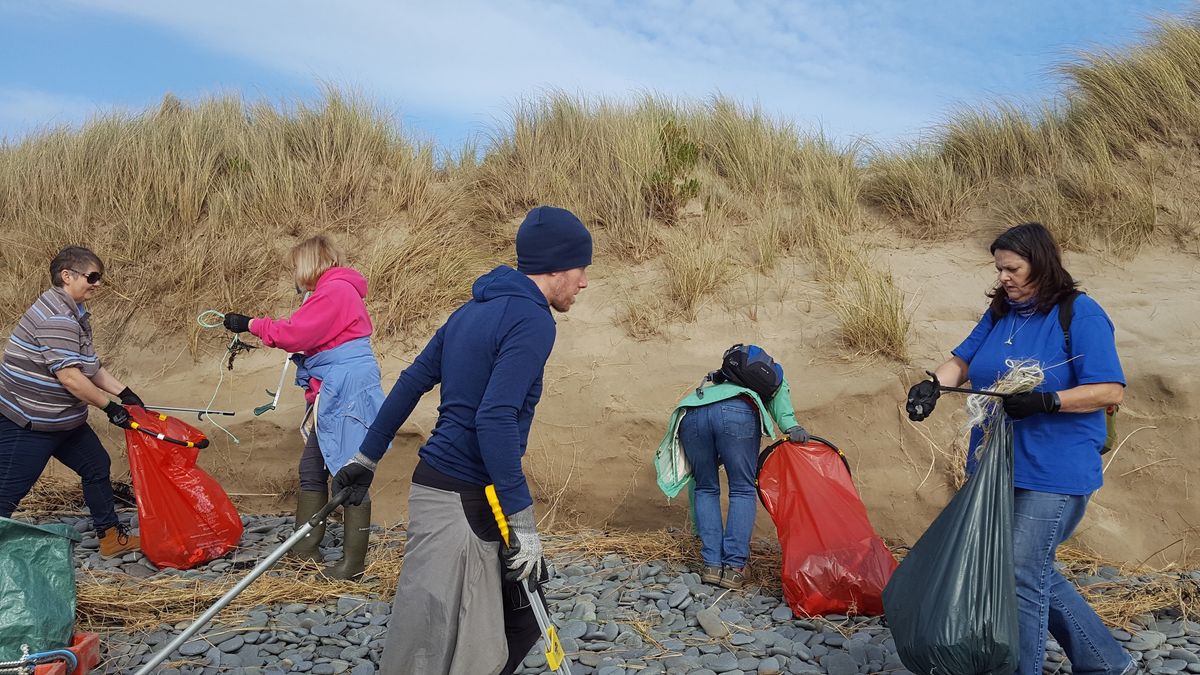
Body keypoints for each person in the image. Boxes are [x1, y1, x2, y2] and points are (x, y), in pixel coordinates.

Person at [330, 205, 591, 675]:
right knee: (435, 641)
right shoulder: (533, 321)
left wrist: (367, 458)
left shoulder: (471, 310)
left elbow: (411, 382)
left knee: (517, 618)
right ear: (555, 267)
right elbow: (494, 418)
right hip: (462, 498)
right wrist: (525, 524)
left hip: (452, 490)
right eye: (581, 270)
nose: (584, 283)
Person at [905, 222, 1132, 675]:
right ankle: (1106, 661)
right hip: (997, 464)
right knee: (1025, 570)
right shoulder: (1000, 312)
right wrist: (932, 384)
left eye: (1013, 268)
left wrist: (1049, 400)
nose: (1004, 277)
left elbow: (1110, 390)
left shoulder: (1078, 313)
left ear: (1040, 263)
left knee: (1020, 573)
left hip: (1056, 466)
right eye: (999, 268)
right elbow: (963, 361)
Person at [222, 235, 383, 580]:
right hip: (337, 387)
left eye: (296, 266)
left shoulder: (335, 291)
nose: (294, 273)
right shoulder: (333, 290)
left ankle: (351, 565)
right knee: (313, 467)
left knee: (346, 472)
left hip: (345, 390)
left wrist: (251, 324)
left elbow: (297, 334)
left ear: (310, 263)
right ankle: (305, 550)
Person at [0, 246, 142, 557]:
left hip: (64, 420)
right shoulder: (57, 318)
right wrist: (110, 408)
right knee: (7, 494)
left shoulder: (73, 313)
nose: (97, 283)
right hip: (28, 421)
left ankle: (109, 538)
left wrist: (125, 392)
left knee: (96, 466)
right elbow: (71, 378)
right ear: (67, 276)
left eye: (99, 277)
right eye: (92, 276)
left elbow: (88, 366)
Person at [658, 346, 809, 590]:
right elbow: (780, 393)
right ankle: (734, 569)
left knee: (705, 487)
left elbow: (698, 484)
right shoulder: (772, 375)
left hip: (691, 411)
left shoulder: (719, 379)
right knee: (741, 489)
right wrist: (791, 426)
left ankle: (711, 565)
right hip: (736, 412)